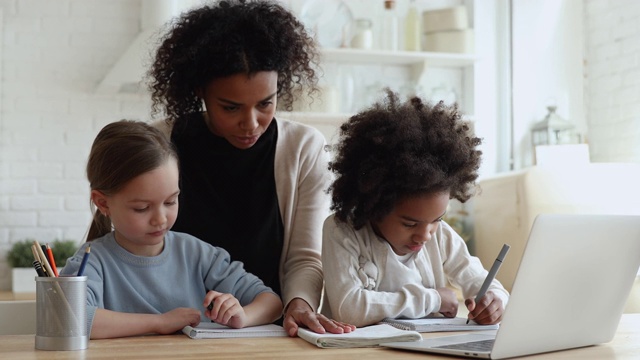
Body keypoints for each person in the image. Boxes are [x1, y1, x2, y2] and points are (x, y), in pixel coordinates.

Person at [147, 0, 354, 336]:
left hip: (268, 329)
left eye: (265, 103)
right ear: (200, 91)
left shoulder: (303, 149)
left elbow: (304, 257)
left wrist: (298, 305)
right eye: (230, 108)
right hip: (173, 329)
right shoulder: (160, 142)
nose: (251, 123)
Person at [60, 120, 283, 339]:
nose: (160, 219)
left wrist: (242, 315)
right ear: (103, 203)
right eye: (142, 208)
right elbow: (70, 318)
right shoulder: (92, 261)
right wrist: (160, 322)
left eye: (170, 202)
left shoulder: (196, 253)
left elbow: (271, 302)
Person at [320, 91, 510, 327]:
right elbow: (349, 309)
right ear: (374, 205)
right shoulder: (341, 231)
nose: (425, 234)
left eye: (437, 219)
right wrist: (434, 299)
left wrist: (496, 299)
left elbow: (482, 281)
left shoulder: (439, 236)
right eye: (410, 223)